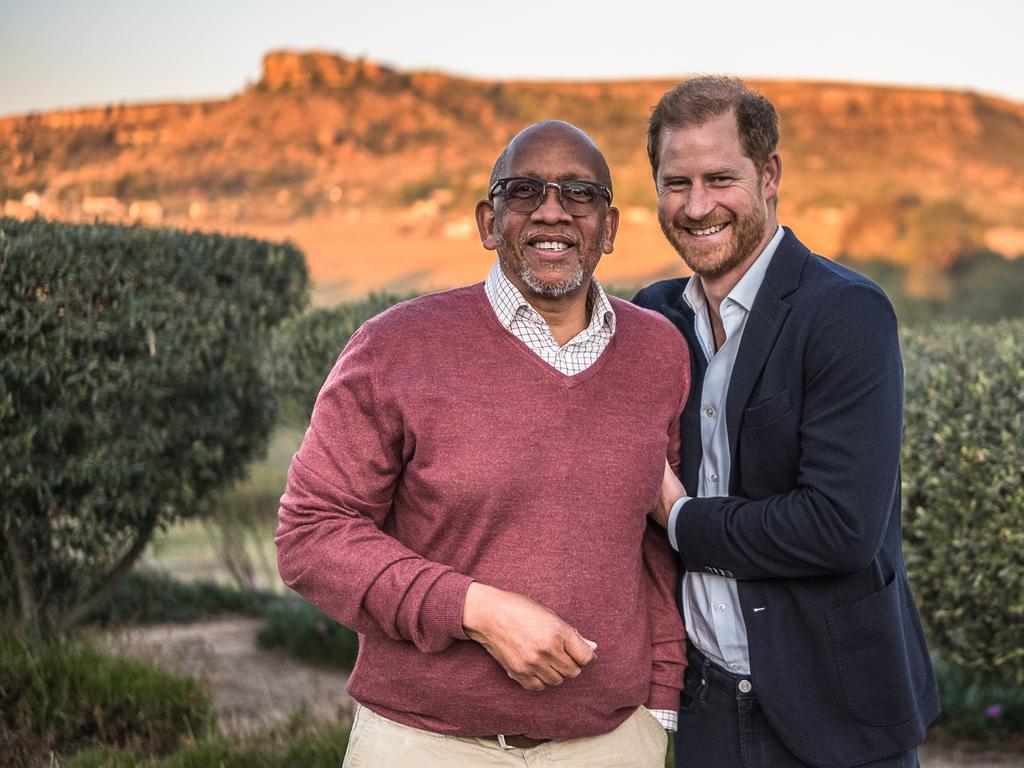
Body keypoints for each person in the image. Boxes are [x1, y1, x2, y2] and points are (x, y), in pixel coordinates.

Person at [277, 120, 691, 767]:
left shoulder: (659, 353)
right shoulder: (395, 347)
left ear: (609, 228)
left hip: (612, 745)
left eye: (580, 193)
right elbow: (310, 532)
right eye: (524, 190)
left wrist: (659, 704)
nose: (552, 210)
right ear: (487, 221)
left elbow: (655, 542)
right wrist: (475, 609)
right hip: (424, 743)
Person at [633, 77, 939, 768]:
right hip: (704, 706)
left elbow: (839, 528)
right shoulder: (652, 316)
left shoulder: (846, 313)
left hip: (837, 710)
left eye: (720, 178)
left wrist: (678, 517)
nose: (696, 205)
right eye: (675, 182)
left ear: (769, 175)